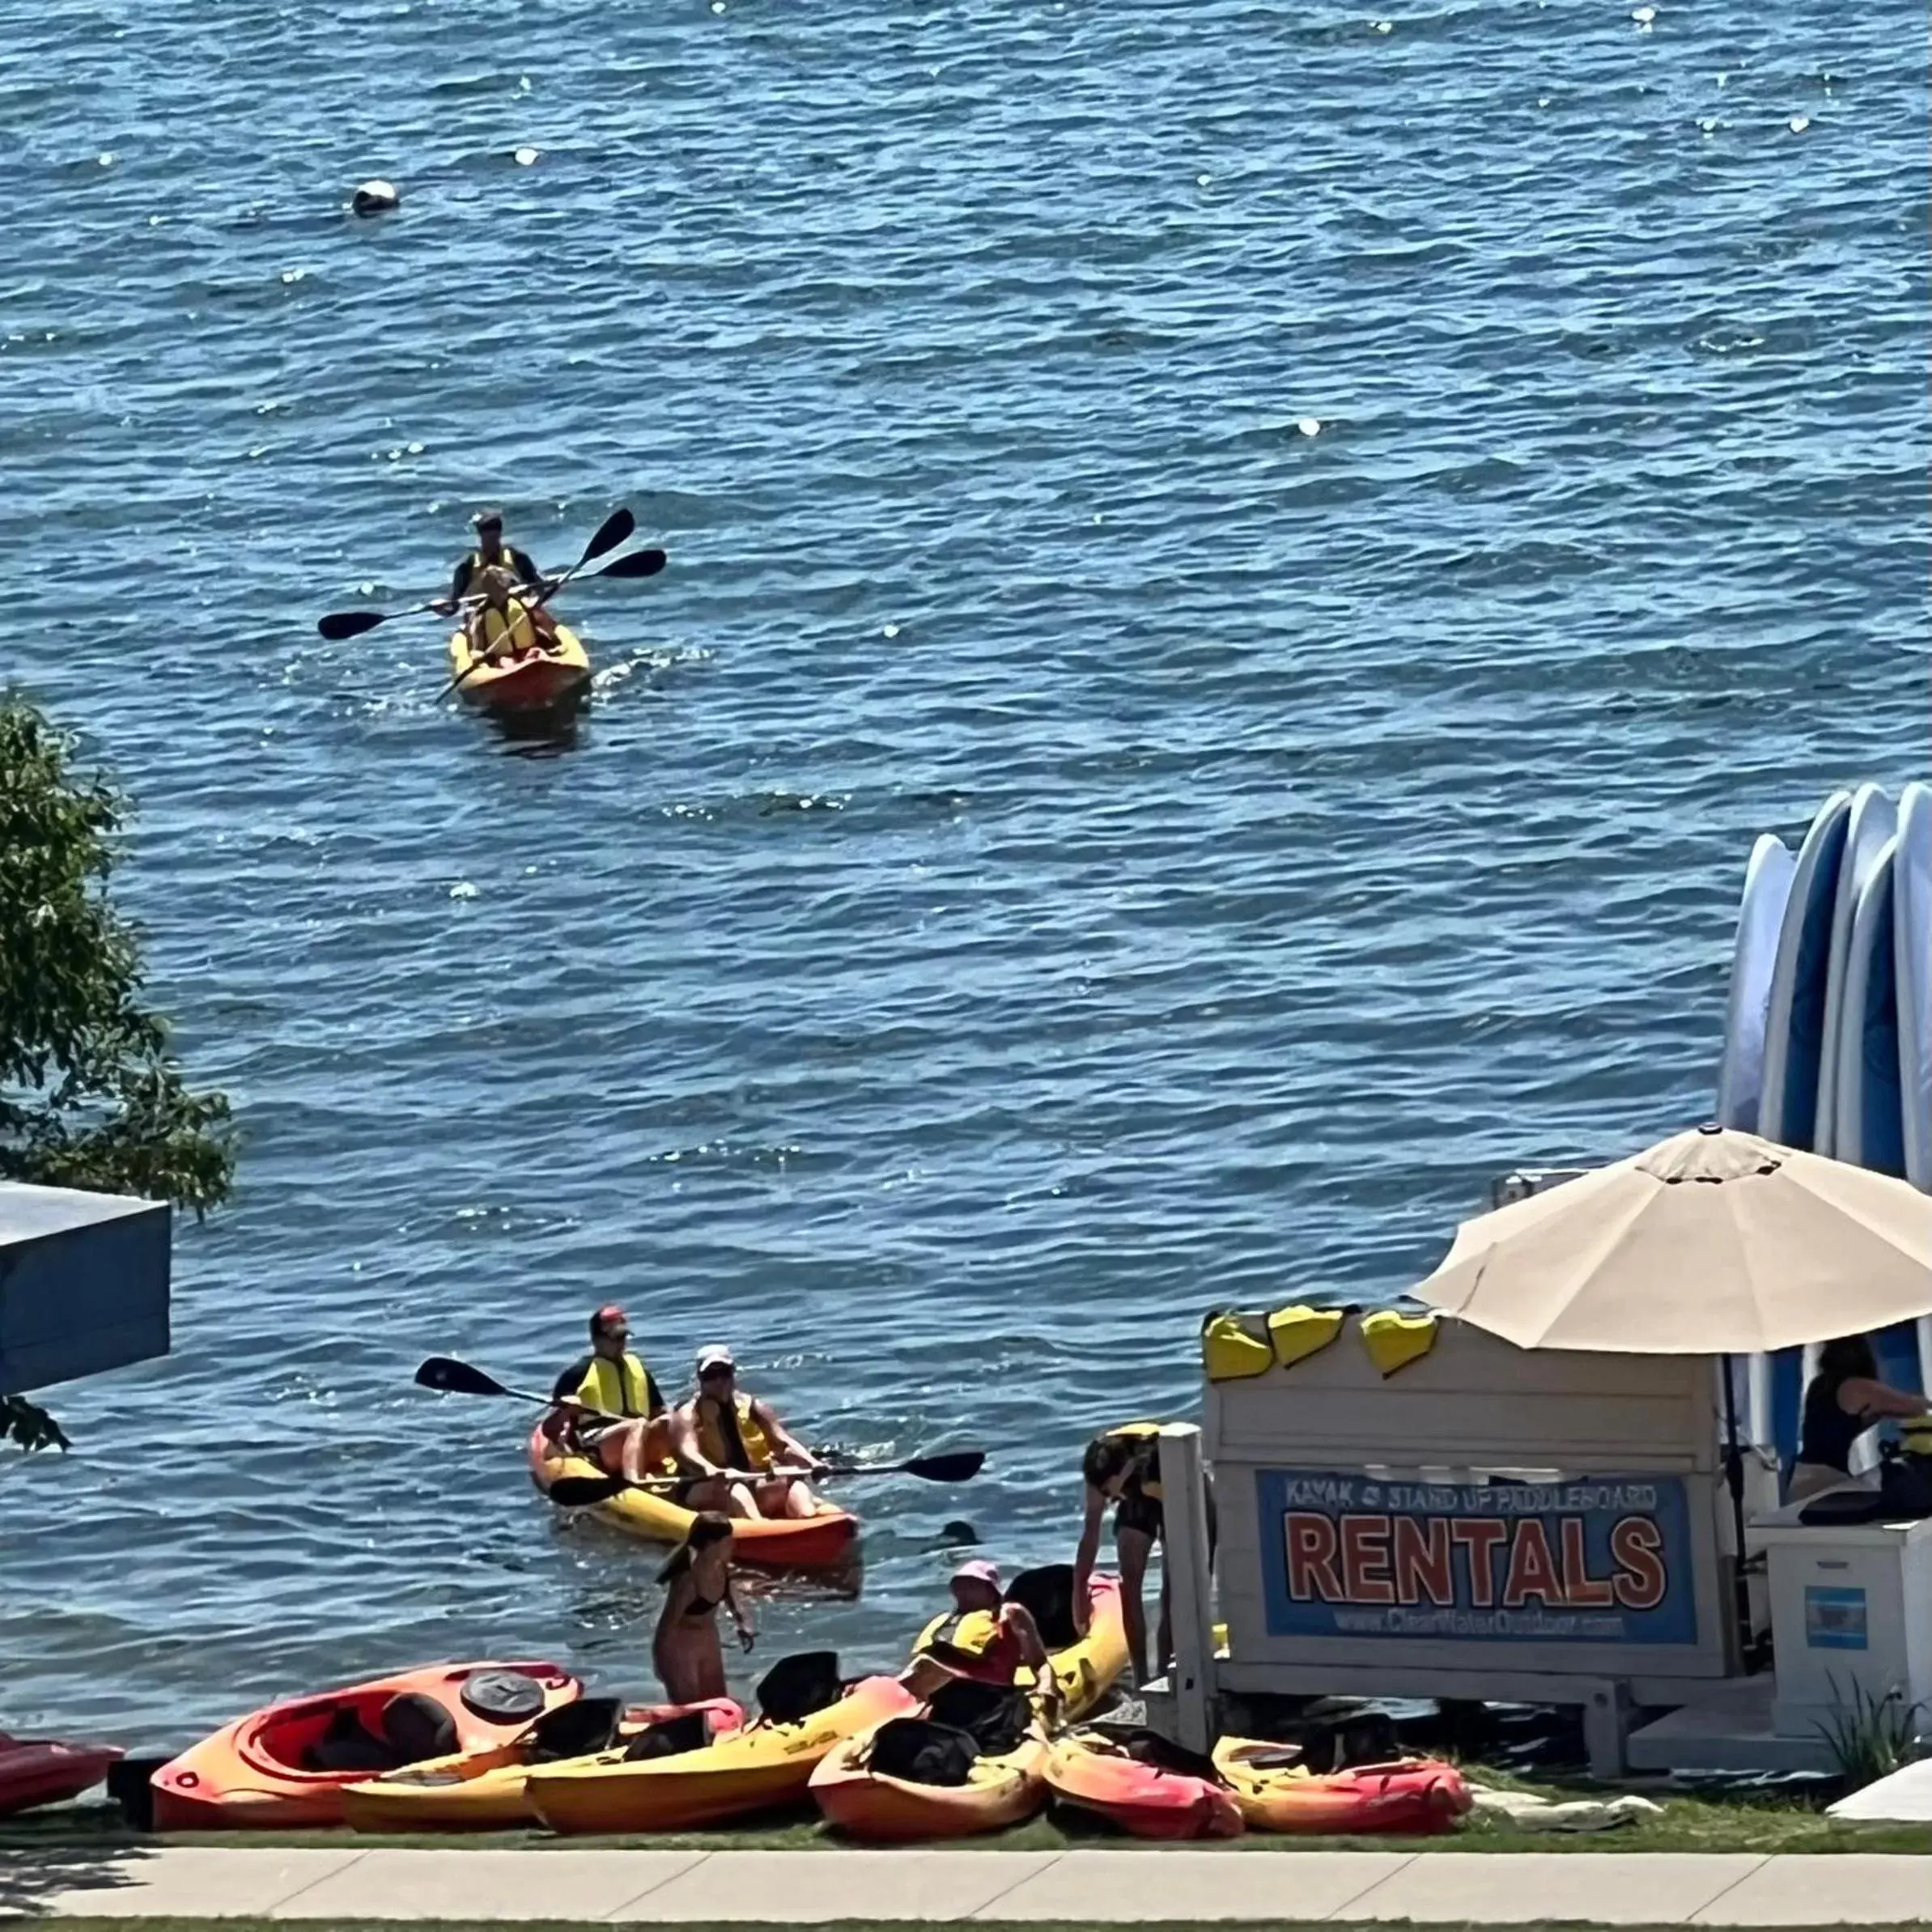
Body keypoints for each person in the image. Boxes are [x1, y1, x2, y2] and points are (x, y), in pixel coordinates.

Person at [1073, 1423, 1216, 1688]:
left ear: (1124, 1472)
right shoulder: (1099, 1468)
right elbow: (1090, 1530)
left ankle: (1168, 1671)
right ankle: (1141, 1678)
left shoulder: (1157, 1469)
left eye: (1107, 1493)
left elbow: (1183, 1534)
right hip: (1136, 1488)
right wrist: (1079, 1589)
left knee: (1176, 1591)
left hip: (1180, 1485)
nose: (1105, 1498)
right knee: (1129, 1583)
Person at [668, 1346, 831, 1522]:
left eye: (725, 1373)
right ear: (700, 1380)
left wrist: (813, 1462)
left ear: (733, 1373)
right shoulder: (688, 1413)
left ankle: (809, 1521)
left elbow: (782, 1439)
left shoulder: (753, 1406)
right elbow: (687, 1449)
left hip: (753, 1478)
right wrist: (710, 1469)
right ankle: (761, 1528)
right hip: (708, 1483)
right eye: (710, 1376)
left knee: (794, 1481)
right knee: (737, 1488)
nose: (719, 1381)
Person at [1790, 1335, 1932, 1501]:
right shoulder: (1854, 1386)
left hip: (1804, 1477)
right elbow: (1915, 1407)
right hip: (1824, 1482)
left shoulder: (1821, 1385)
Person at [550, 1306, 669, 1485]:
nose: (621, 1344)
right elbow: (553, 1422)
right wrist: (567, 1410)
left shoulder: (638, 1368)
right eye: (615, 1338)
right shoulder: (577, 1373)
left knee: (667, 1421)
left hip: (639, 1438)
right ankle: (633, 1481)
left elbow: (658, 1410)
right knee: (637, 1424)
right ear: (596, 1340)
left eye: (624, 1337)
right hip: (600, 1444)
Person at [904, 1560, 1050, 1701]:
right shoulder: (947, 1622)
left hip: (993, 1689)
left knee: (925, 1665)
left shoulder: (1010, 1613)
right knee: (922, 1664)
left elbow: (1039, 1661)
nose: (963, 1592)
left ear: (991, 1591)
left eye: (971, 1586)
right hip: (950, 1690)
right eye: (959, 1587)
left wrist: (1046, 1685)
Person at [653, 1514, 752, 1704]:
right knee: (691, 1707)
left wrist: (742, 1624)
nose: (733, 1547)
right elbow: (666, 1625)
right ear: (711, 1545)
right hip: (681, 1646)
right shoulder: (688, 1581)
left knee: (718, 1700)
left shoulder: (721, 1568)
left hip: (708, 1641)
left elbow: (732, 1597)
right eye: (727, 1542)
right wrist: (660, 1661)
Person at [439, 511, 544, 613]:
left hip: (515, 613)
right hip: (481, 617)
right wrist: (441, 608)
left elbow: (539, 588)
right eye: (488, 536)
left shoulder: (518, 558)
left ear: (500, 534)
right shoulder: (467, 566)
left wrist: (532, 601)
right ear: (480, 535)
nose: (491, 542)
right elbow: (453, 606)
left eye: (495, 536)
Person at [465, 567, 559, 665]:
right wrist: (478, 655)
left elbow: (545, 623)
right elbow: (477, 645)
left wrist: (553, 641)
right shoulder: (481, 614)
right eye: (493, 585)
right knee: (507, 663)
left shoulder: (523, 603)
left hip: (530, 649)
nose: (501, 587)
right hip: (503, 657)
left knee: (538, 653)